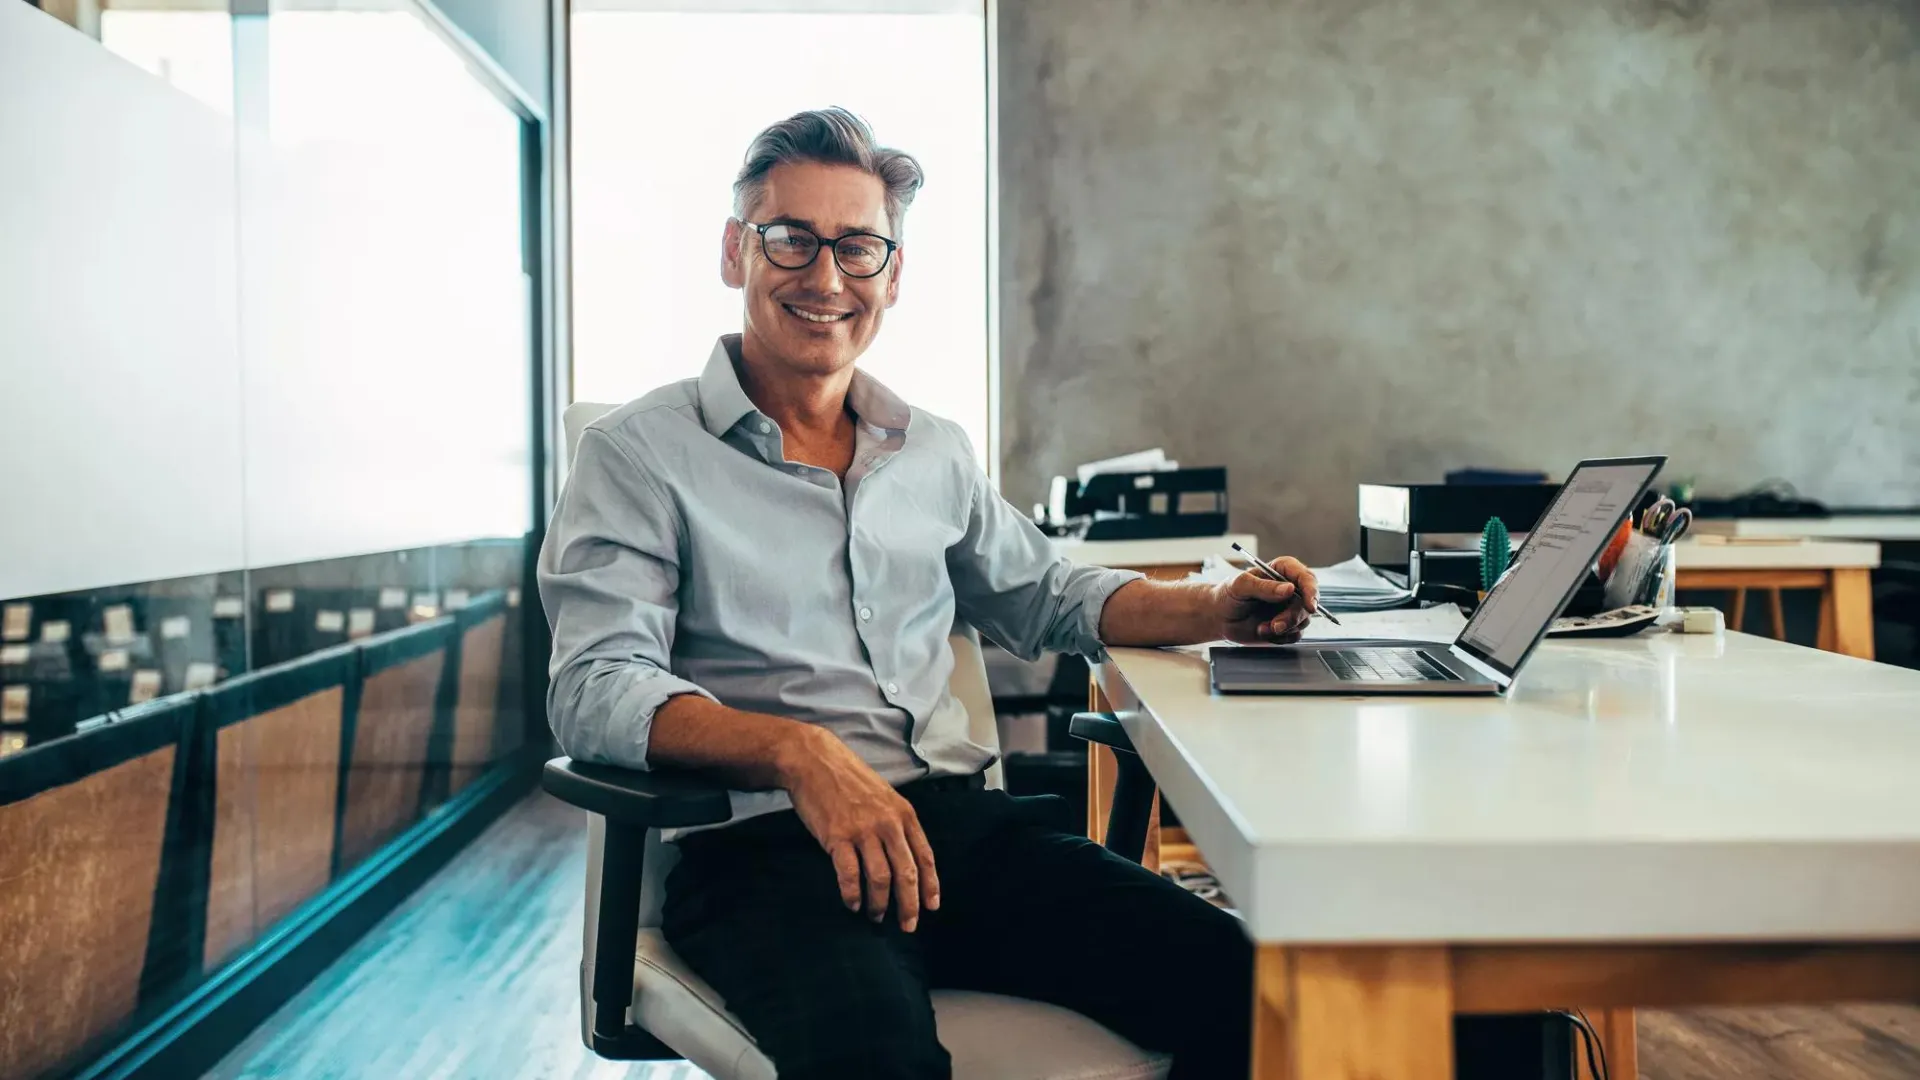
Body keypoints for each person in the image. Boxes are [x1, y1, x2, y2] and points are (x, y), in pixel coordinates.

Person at [539, 107, 1318, 1080]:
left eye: (858, 247)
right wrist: (797, 753)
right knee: (875, 1057)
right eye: (791, 239)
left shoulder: (933, 449)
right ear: (737, 251)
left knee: (1261, 996)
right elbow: (594, 681)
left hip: (959, 834)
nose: (825, 277)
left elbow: (1051, 596)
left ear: (892, 275)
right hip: (769, 859)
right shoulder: (638, 454)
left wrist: (1213, 609)